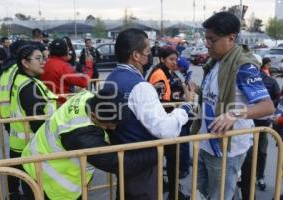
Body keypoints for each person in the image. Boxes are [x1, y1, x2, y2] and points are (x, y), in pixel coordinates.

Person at [103, 28, 195, 200]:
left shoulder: (112, 77)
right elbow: (165, 129)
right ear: (136, 55)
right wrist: (185, 108)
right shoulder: (139, 86)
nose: (150, 56)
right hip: (141, 162)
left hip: (124, 156)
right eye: (148, 52)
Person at [191, 12, 275, 200]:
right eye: (206, 39)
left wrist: (234, 114)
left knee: (220, 195)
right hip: (206, 142)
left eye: (211, 40)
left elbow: (267, 106)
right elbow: (214, 96)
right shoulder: (216, 62)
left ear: (231, 38)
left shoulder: (243, 67)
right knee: (206, 192)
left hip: (226, 149)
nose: (207, 44)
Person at [22, 90, 158, 200]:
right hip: (44, 181)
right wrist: (158, 150)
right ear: (93, 115)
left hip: (37, 160)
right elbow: (121, 163)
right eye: (109, 125)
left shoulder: (87, 96)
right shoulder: (82, 137)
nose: (113, 129)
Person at [8, 45, 58, 199]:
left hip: (22, 146)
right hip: (31, 147)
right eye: (38, 58)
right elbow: (37, 123)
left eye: (43, 58)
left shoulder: (24, 79)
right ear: (25, 62)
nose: (43, 62)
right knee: (35, 191)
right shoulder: (29, 87)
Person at [147, 46, 191, 200]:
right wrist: (182, 104)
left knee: (170, 160)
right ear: (162, 59)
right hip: (163, 125)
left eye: (175, 59)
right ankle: (172, 193)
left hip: (166, 123)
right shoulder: (159, 74)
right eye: (171, 59)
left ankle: (172, 191)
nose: (174, 62)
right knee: (171, 161)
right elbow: (160, 103)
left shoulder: (166, 72)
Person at [239, 56, 280, 199]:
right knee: (245, 158)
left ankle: (260, 177)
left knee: (261, 152)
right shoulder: (241, 77)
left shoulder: (270, 81)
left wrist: (263, 108)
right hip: (244, 126)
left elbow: (276, 99)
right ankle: (244, 181)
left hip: (262, 125)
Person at [40, 38, 90, 104]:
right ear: (66, 51)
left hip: (48, 102)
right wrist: (89, 64)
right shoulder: (63, 66)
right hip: (63, 104)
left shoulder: (45, 64)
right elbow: (84, 82)